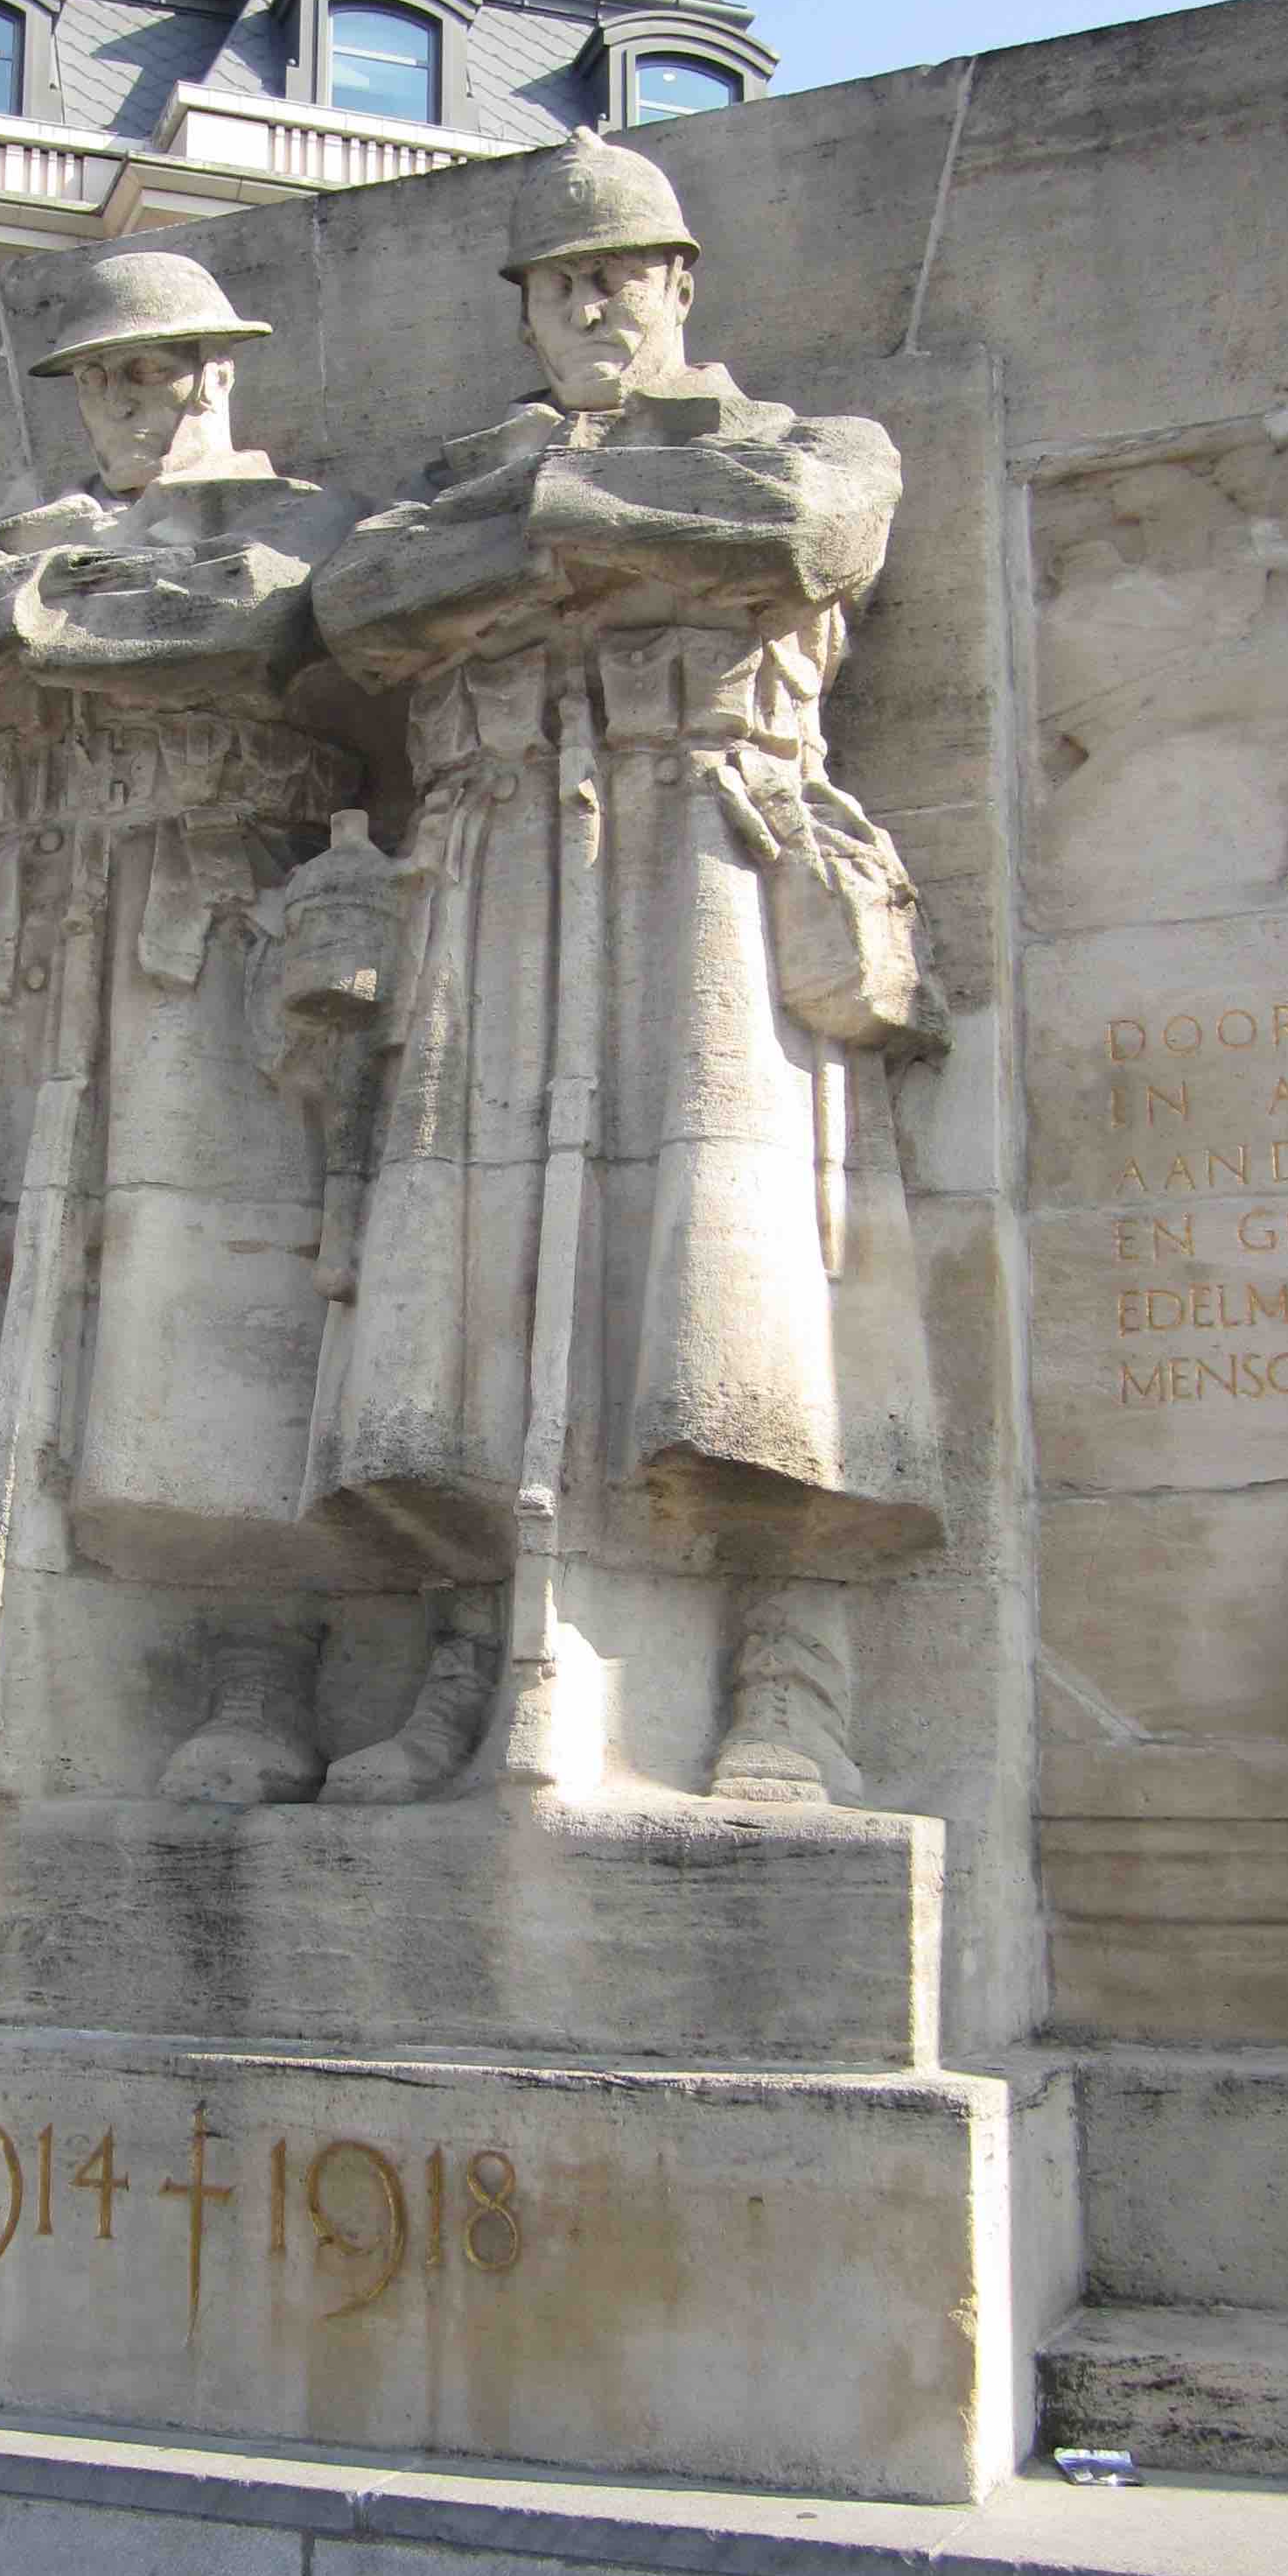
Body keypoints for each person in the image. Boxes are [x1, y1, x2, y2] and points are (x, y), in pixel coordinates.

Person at [297, 130, 949, 1801]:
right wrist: (583, 538)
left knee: (749, 1293)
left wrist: (545, 530)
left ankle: (788, 1687)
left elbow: (800, 530)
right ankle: (474, 1659)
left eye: (617, 276)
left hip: (711, 865)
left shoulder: (803, 440)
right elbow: (365, 604)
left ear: (679, 285)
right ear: (525, 311)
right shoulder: (451, 482)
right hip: (494, 871)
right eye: (559, 284)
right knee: (467, 1302)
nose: (591, 306)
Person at [0, 248, 384, 1802]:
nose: (128, 402)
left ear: (218, 372)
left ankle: (258, 1673)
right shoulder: (31, 536)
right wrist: (58, 593)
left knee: (214, 1300)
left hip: (199, 915)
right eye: (100, 379)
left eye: (153, 371)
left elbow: (258, 633)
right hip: (25, 925)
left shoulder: (299, 518)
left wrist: (33, 622)